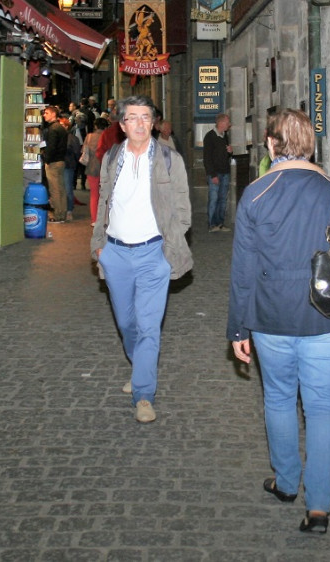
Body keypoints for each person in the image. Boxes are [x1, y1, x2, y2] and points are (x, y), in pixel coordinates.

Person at [227, 108, 330, 536]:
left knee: (277, 399)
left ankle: (287, 482)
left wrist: (238, 328)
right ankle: (320, 505)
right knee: (323, 406)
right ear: (311, 146)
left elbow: (242, 271)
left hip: (272, 314)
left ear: (271, 146)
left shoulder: (256, 194)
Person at [91, 95, 193, 424]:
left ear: (153, 122)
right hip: (116, 253)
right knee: (126, 323)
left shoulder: (169, 160)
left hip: (153, 253)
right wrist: (99, 248)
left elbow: (183, 212)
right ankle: (140, 371)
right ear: (122, 125)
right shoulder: (111, 159)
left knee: (149, 327)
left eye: (145, 117)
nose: (139, 124)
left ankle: (144, 394)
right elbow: (103, 203)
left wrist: (167, 251)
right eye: (132, 118)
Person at [203, 113, 232, 232]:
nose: (229, 125)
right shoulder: (210, 136)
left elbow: (225, 154)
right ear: (221, 123)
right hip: (215, 173)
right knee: (214, 198)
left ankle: (220, 223)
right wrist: (212, 174)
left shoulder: (225, 136)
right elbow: (207, 158)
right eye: (227, 122)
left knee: (222, 199)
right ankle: (211, 224)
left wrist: (230, 152)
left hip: (225, 172)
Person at [40, 105, 69, 222]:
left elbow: (51, 147)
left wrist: (46, 159)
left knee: (54, 189)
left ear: (53, 114)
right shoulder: (61, 128)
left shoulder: (53, 129)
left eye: (46, 113)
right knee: (61, 188)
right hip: (61, 161)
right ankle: (63, 212)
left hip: (53, 162)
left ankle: (57, 215)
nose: (44, 115)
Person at [61, 116, 81, 221]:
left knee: (67, 188)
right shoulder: (73, 138)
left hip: (67, 165)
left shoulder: (71, 139)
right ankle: (66, 209)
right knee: (64, 188)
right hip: (67, 164)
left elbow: (77, 153)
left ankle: (69, 210)